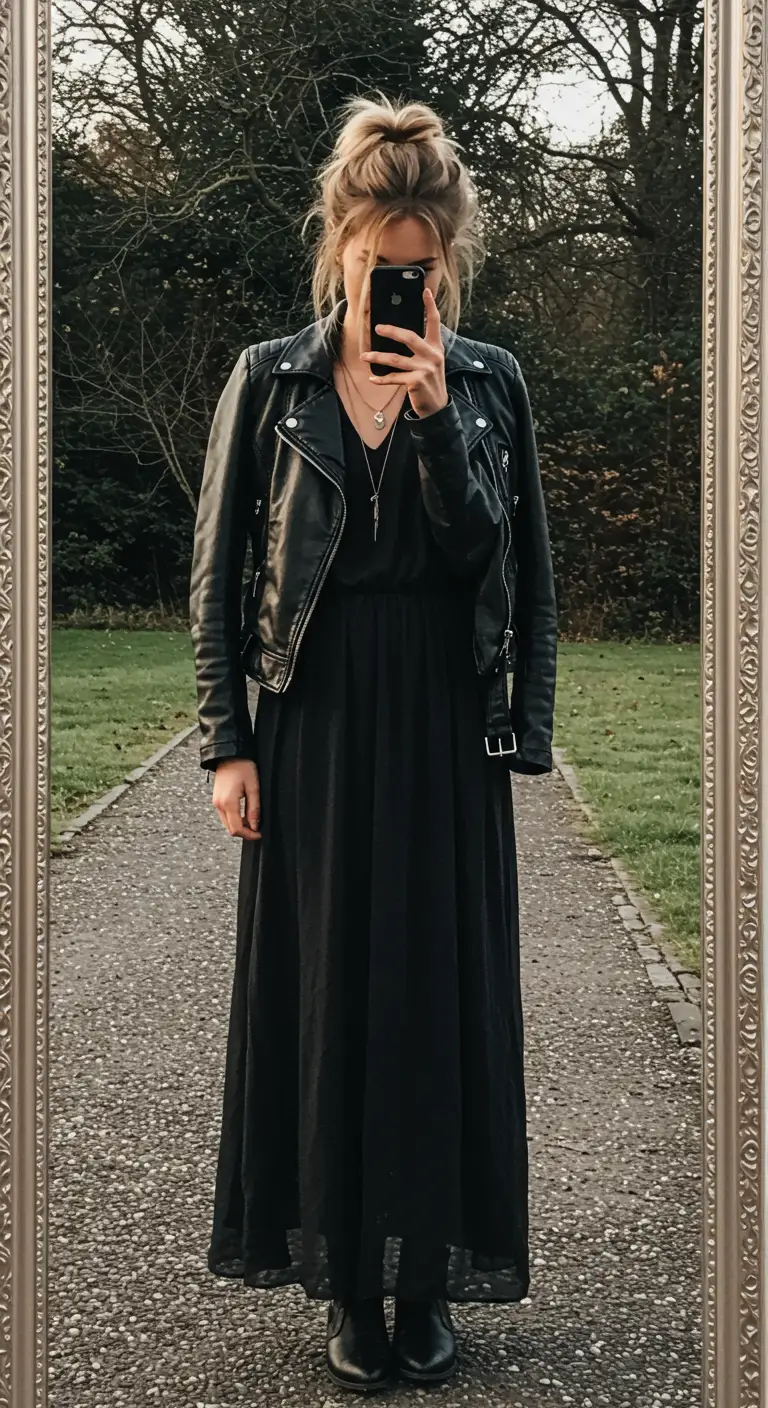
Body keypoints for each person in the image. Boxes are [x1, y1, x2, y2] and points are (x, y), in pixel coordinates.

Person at [188, 91, 557, 1394]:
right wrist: (228, 743)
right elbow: (219, 574)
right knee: (327, 990)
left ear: (444, 262)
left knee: (438, 995)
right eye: (376, 262)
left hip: (446, 724)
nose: (398, 285)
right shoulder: (271, 378)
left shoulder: (490, 384)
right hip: (318, 717)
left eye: (420, 268)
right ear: (339, 248)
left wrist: (441, 421)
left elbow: (505, 565)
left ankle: (426, 1280)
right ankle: (348, 1279)